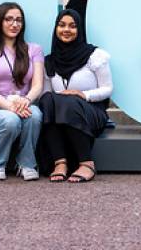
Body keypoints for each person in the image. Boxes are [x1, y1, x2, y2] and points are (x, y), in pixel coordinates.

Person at [38, 10, 113, 183]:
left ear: (80, 29)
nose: (66, 30)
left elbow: (108, 89)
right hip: (62, 115)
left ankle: (87, 163)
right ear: (56, 29)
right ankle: (60, 162)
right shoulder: (50, 61)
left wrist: (82, 94)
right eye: (62, 25)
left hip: (92, 113)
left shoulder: (94, 56)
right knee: (47, 100)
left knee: (69, 102)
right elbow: (47, 94)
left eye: (72, 26)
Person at [0, 2, 44, 180]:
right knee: (10, 119)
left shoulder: (34, 50)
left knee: (35, 114)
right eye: (9, 19)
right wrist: (10, 107)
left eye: (18, 20)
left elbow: (37, 85)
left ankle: (27, 163)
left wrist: (27, 100)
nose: (14, 24)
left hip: (24, 103)